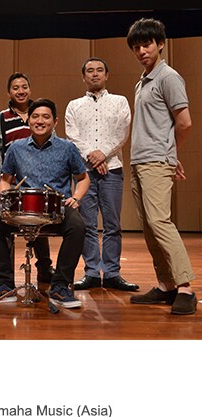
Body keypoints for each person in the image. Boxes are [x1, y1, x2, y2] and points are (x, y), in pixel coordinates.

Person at [0, 99, 90, 308]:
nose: (40, 121)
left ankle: (60, 286)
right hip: (23, 207)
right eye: (35, 116)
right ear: (28, 120)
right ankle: (3, 283)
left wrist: (76, 198)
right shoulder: (16, 148)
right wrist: (4, 197)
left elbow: (83, 178)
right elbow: (5, 179)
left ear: (55, 121)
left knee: (78, 226)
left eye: (46, 117)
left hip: (57, 208)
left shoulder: (67, 148)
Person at [126, 18, 197, 315]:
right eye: (137, 47)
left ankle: (186, 288)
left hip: (156, 160)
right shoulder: (142, 81)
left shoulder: (168, 77)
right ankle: (166, 285)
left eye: (147, 44)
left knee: (160, 223)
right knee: (149, 228)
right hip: (139, 160)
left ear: (161, 44)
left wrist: (170, 153)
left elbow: (185, 122)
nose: (142, 51)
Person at [65, 58, 139, 292]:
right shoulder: (74, 105)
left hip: (112, 169)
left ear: (107, 75)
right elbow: (72, 135)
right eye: (90, 71)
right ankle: (91, 273)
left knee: (112, 224)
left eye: (99, 70)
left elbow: (122, 132)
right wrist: (92, 157)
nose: (95, 74)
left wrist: (103, 154)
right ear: (83, 77)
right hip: (84, 173)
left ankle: (112, 273)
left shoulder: (120, 101)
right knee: (86, 225)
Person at [0, 73, 54, 283]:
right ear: (9, 92)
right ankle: (3, 275)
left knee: (40, 225)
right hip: (10, 184)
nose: (21, 91)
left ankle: (44, 268)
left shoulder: (40, 114)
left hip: (37, 183)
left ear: (30, 89)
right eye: (15, 88)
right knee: (0, 226)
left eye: (24, 87)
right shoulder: (0, 119)